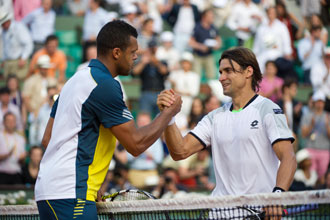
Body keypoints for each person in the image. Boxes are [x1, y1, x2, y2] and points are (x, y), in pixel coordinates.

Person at [35, 20, 181, 220]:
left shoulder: (73, 81)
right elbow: (136, 144)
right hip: (70, 194)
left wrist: (89, 184)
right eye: (133, 52)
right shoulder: (104, 85)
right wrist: (168, 113)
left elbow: (47, 140)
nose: (136, 57)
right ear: (116, 53)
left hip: (51, 192)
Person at [157, 47, 296, 218]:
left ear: (248, 71)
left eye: (228, 71)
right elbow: (180, 151)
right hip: (220, 214)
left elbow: (288, 157)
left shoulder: (268, 109)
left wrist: (277, 196)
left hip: (258, 213)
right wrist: (169, 117)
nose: (221, 77)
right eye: (220, 72)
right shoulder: (214, 117)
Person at [300, 90, 330, 185]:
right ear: (314, 102)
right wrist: (311, 126)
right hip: (310, 149)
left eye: (321, 102)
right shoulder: (307, 115)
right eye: (318, 101)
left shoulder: (328, 117)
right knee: (311, 179)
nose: (319, 104)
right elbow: (303, 134)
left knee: (322, 178)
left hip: (324, 150)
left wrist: (327, 126)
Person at [0, 10, 33, 81]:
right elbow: (5, 46)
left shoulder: (19, 27)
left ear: (8, 20)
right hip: (8, 62)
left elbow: (28, 43)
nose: (3, 25)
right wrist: (4, 59)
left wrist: (23, 58)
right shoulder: (3, 31)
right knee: (8, 84)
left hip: (18, 61)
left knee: (17, 82)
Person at [0, 112, 26, 184]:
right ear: (4, 122)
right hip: (2, 173)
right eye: (9, 121)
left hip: (16, 174)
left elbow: (22, 162)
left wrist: (22, 159)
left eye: (13, 121)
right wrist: (6, 155)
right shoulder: (1, 136)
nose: (11, 123)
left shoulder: (20, 138)